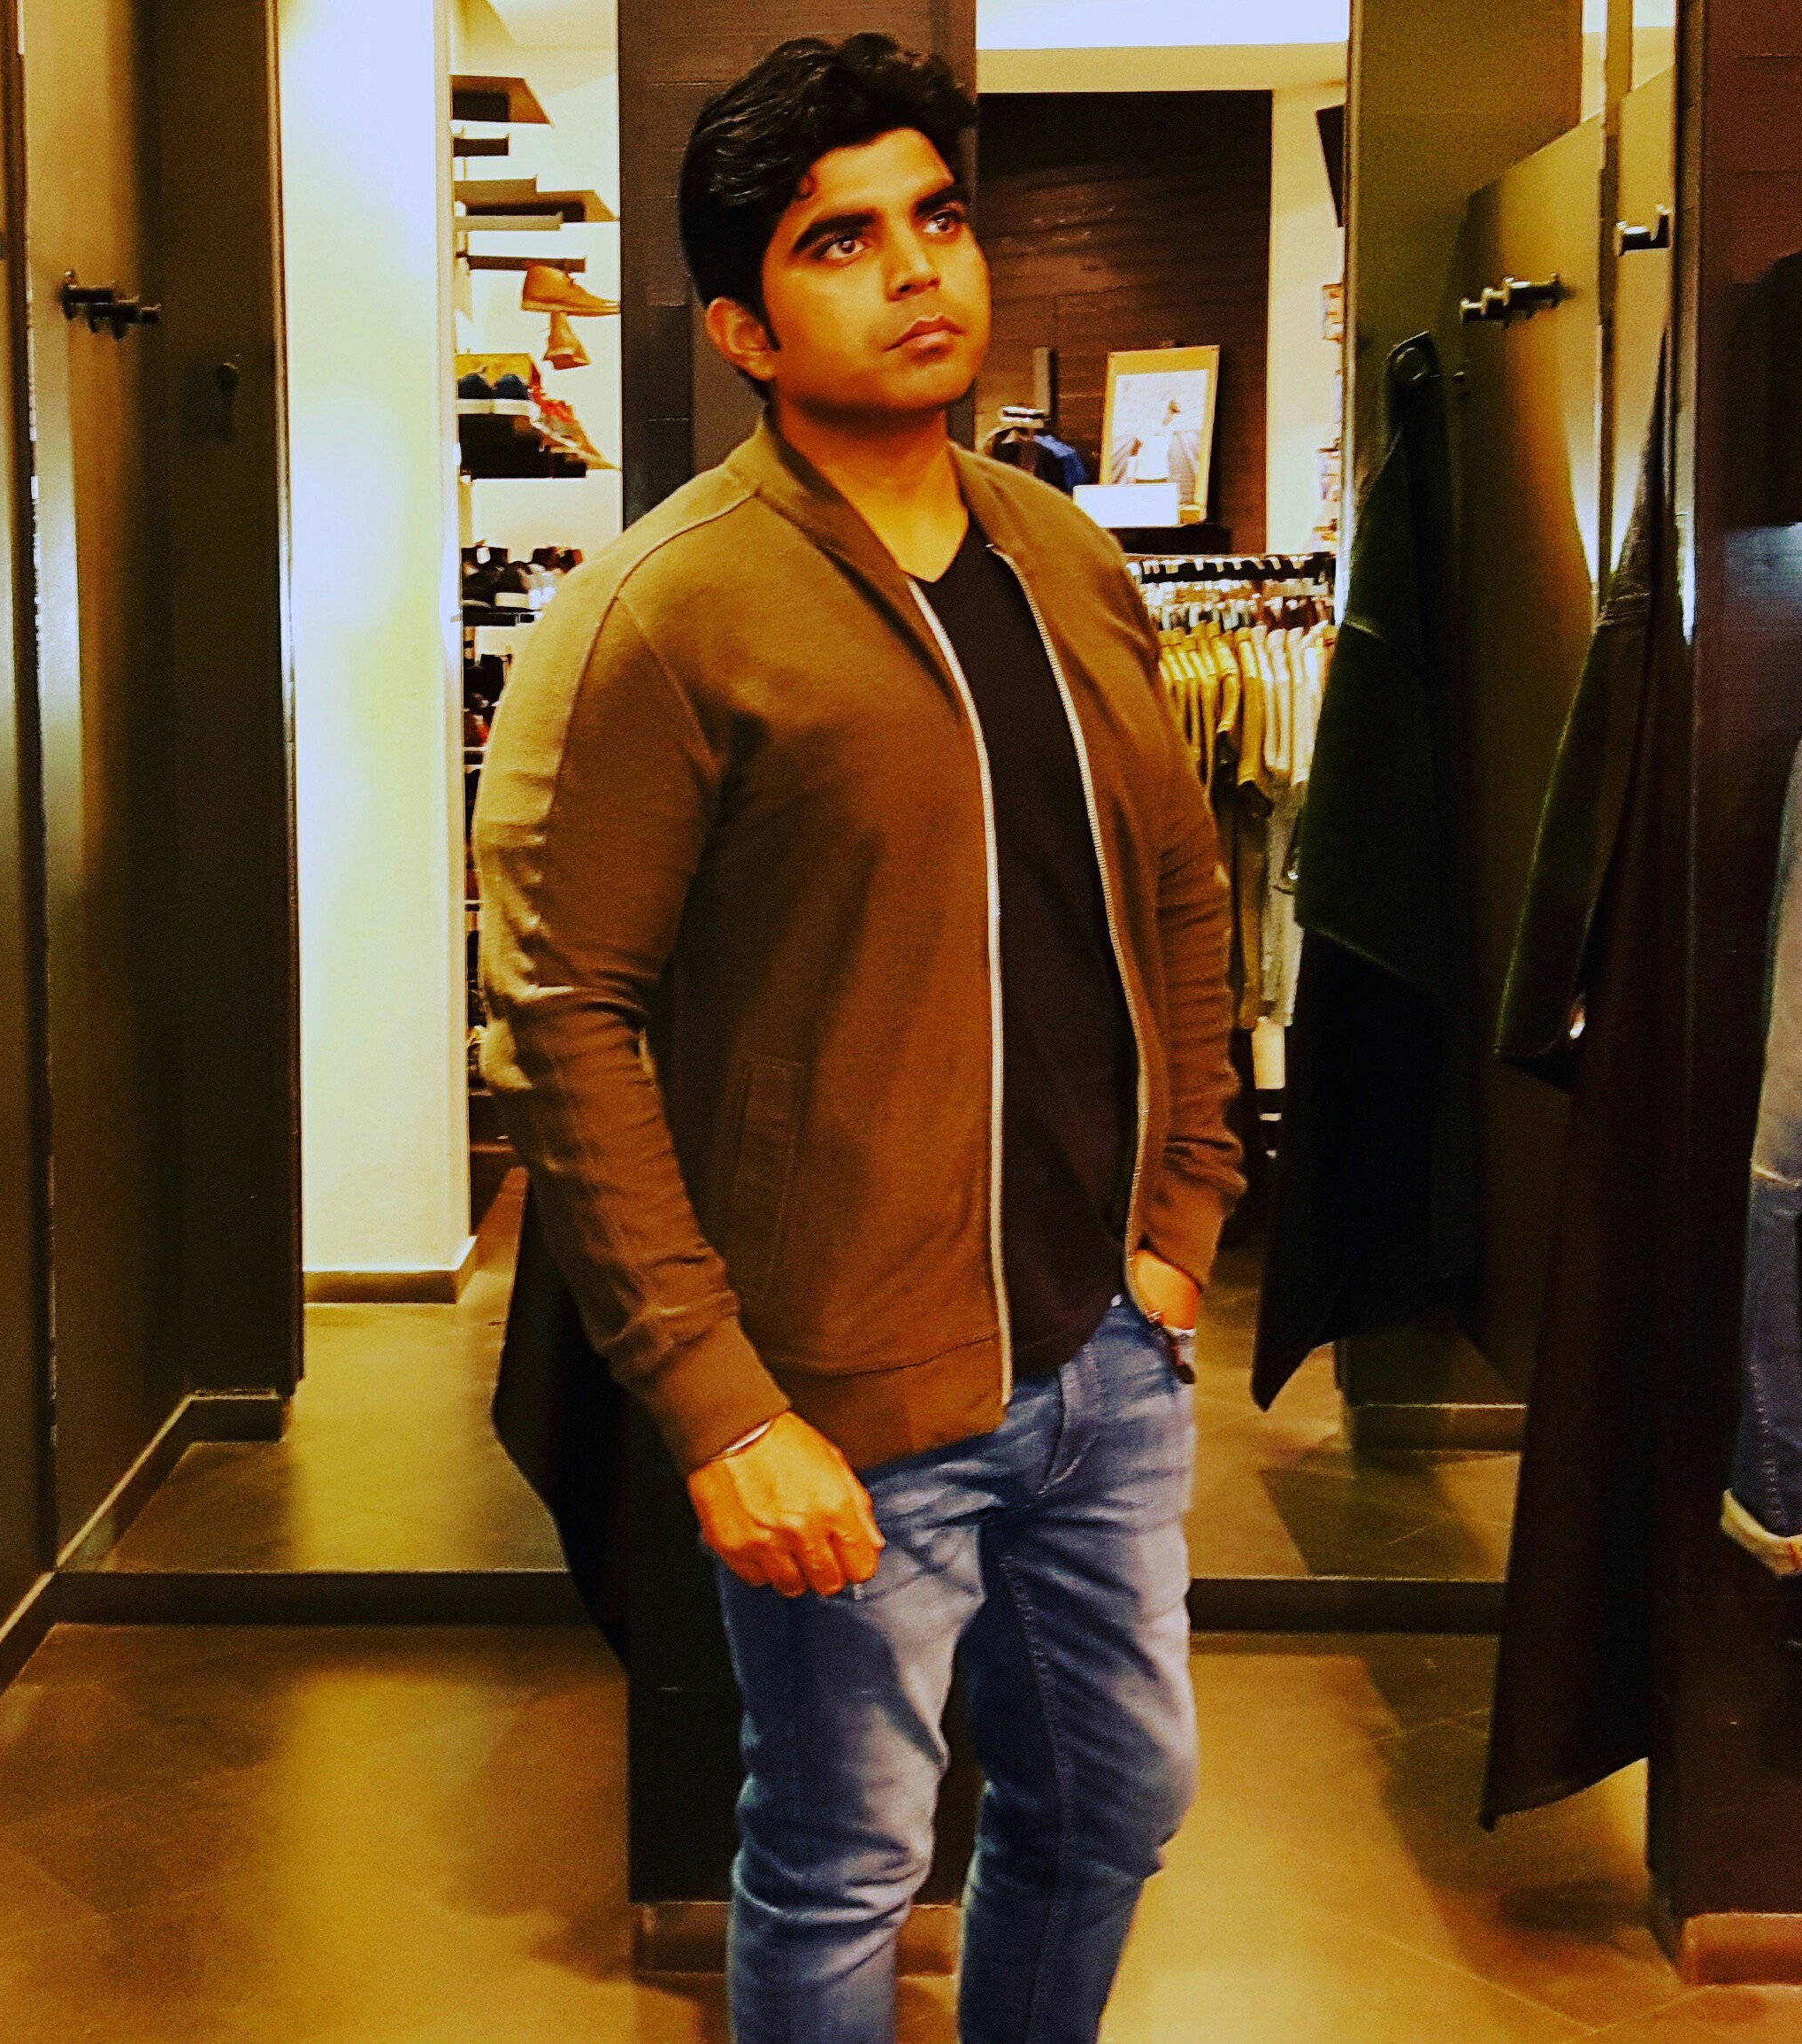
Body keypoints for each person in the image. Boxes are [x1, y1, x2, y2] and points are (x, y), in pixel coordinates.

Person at [476, 33, 1241, 2044]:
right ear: (743, 326)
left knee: (1115, 1801)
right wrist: (721, 1404)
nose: (916, 269)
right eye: (840, 241)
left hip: (1105, 1343)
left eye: (940, 219)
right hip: (839, 1386)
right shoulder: (666, 612)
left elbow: (1179, 883)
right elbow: (560, 1020)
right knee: (843, 1862)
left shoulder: (1065, 556)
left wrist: (1185, 1208)